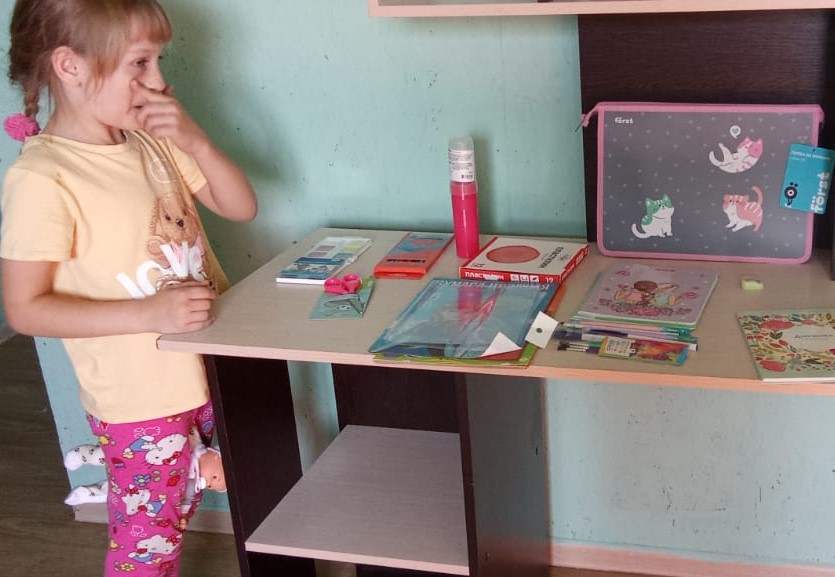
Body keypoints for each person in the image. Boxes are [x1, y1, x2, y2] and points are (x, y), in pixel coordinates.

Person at [0, 1, 257, 576]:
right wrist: (148, 314)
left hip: (208, 364)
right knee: (149, 543)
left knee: (218, 483)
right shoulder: (42, 178)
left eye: (158, 61)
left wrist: (197, 141)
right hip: (139, 399)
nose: (159, 82)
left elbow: (241, 206)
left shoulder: (152, 141)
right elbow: (25, 309)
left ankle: (169, 472)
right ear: (69, 66)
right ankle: (138, 477)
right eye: (140, 63)